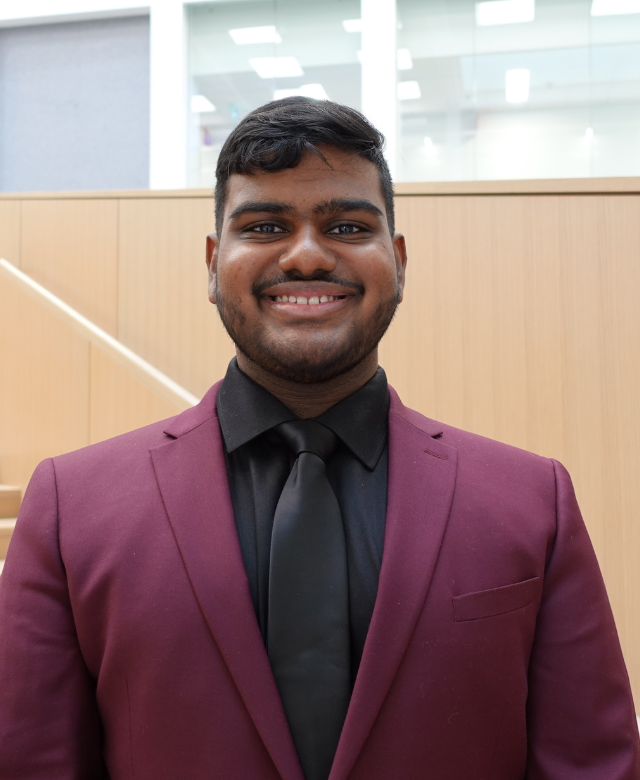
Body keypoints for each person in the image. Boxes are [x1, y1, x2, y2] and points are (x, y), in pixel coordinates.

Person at [0, 97, 638, 780]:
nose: (306, 255)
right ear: (212, 264)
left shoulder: (533, 501)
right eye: (265, 225)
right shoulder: (71, 506)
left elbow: (592, 767)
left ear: (398, 261)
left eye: (347, 226)